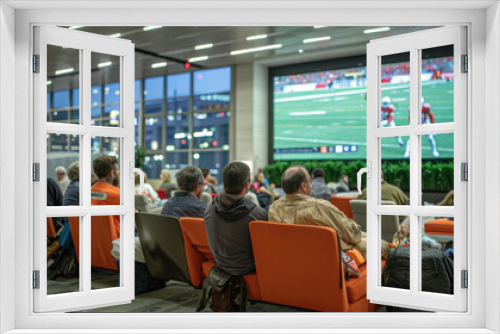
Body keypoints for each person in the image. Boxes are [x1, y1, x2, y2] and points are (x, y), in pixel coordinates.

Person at [268, 165, 388, 259]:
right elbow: (353, 236)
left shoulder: (273, 209)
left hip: (294, 259)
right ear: (303, 186)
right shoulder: (320, 207)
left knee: (366, 235)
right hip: (333, 259)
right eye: (309, 182)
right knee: (383, 244)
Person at [205, 161, 268, 275]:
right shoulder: (258, 214)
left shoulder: (210, 206)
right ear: (247, 186)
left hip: (221, 265)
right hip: (249, 270)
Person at [90, 156, 121, 236]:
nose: (118, 172)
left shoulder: (86, 194)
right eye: (117, 170)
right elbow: (133, 221)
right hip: (117, 244)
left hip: (91, 242)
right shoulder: (119, 195)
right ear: (111, 173)